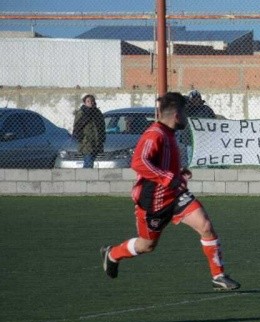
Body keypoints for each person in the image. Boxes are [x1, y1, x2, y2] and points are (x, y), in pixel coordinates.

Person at [100, 92, 240, 291]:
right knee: (147, 245)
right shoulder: (154, 134)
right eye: (184, 113)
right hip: (153, 201)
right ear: (176, 116)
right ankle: (113, 254)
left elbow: (161, 164)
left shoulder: (169, 133)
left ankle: (218, 275)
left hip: (175, 196)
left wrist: (177, 172)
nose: (186, 118)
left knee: (205, 225)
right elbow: (139, 163)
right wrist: (168, 177)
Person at [72, 94, 106, 168]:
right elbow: (77, 126)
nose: (90, 102)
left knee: (91, 161)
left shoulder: (97, 113)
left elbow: (102, 126)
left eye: (92, 101)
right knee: (88, 162)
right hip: (86, 142)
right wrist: (81, 138)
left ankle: (87, 177)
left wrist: (102, 138)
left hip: (96, 141)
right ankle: (86, 178)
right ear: (84, 103)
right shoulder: (82, 113)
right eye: (88, 101)